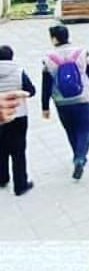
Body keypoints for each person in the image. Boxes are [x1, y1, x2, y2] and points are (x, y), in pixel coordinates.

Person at [42, 24, 89, 180]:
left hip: (61, 101)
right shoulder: (82, 52)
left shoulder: (48, 58)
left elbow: (46, 84)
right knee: (86, 129)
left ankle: (77, 154)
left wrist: (45, 107)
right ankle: (80, 157)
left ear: (54, 39)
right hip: (82, 98)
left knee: (70, 130)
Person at [0, 45, 36, 196]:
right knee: (18, 151)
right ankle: (20, 185)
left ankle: (2, 178)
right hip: (18, 115)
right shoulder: (19, 71)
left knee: (1, 149)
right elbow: (31, 91)